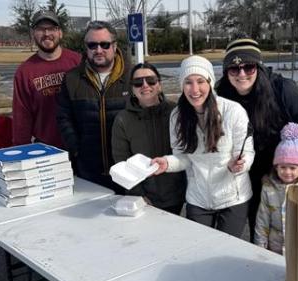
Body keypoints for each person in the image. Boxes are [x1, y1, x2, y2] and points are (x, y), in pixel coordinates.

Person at [216, 37, 298, 242]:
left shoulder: (283, 90)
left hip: (288, 177)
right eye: (234, 69)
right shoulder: (222, 95)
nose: (241, 74)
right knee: (260, 235)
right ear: (226, 72)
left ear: (258, 67)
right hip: (249, 178)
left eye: (248, 67)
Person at [151, 55, 255, 237]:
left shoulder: (233, 111)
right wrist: (167, 163)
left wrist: (240, 164)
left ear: (210, 82)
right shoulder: (177, 116)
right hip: (197, 198)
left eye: (200, 81)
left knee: (225, 252)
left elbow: (246, 151)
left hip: (233, 197)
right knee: (199, 248)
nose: (195, 89)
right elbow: (183, 157)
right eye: (188, 82)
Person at [57, 21, 130, 192]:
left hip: (127, 172)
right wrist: (76, 150)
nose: (98, 50)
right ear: (86, 47)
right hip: (88, 172)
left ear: (115, 45)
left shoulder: (133, 77)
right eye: (92, 45)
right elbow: (63, 117)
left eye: (105, 44)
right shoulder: (72, 79)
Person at [111, 62, 187, 214]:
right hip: (143, 199)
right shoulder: (123, 119)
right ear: (132, 89)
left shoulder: (177, 112)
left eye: (151, 80)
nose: (145, 85)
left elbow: (187, 152)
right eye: (138, 83)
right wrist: (138, 195)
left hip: (176, 195)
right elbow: (121, 160)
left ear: (159, 85)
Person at [12, 10, 81, 148]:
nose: (47, 34)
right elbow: (22, 119)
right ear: (33, 34)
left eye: (51, 28)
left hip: (82, 146)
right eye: (41, 29)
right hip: (46, 149)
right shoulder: (24, 72)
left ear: (60, 32)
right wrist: (21, 151)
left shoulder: (78, 62)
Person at [254, 122, 298, 255]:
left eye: (293, 168)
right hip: (275, 246)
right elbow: (262, 219)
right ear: (276, 167)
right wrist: (259, 247)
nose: (287, 172)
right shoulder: (268, 188)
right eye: (283, 167)